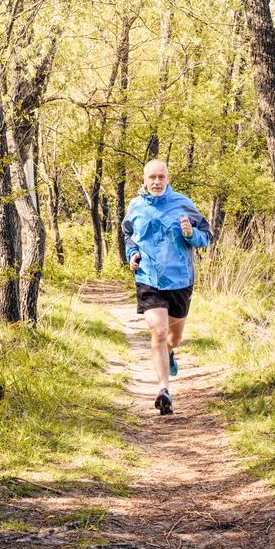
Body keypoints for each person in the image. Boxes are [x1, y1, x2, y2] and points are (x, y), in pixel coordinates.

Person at [121, 159, 212, 415]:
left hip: (180, 280)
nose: (157, 182)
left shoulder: (183, 204)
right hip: (148, 279)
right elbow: (128, 234)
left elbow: (207, 235)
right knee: (158, 332)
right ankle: (164, 390)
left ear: (168, 178)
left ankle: (170, 353)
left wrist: (190, 235)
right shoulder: (136, 206)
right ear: (144, 179)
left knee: (174, 338)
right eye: (152, 177)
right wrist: (132, 254)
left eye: (161, 177)